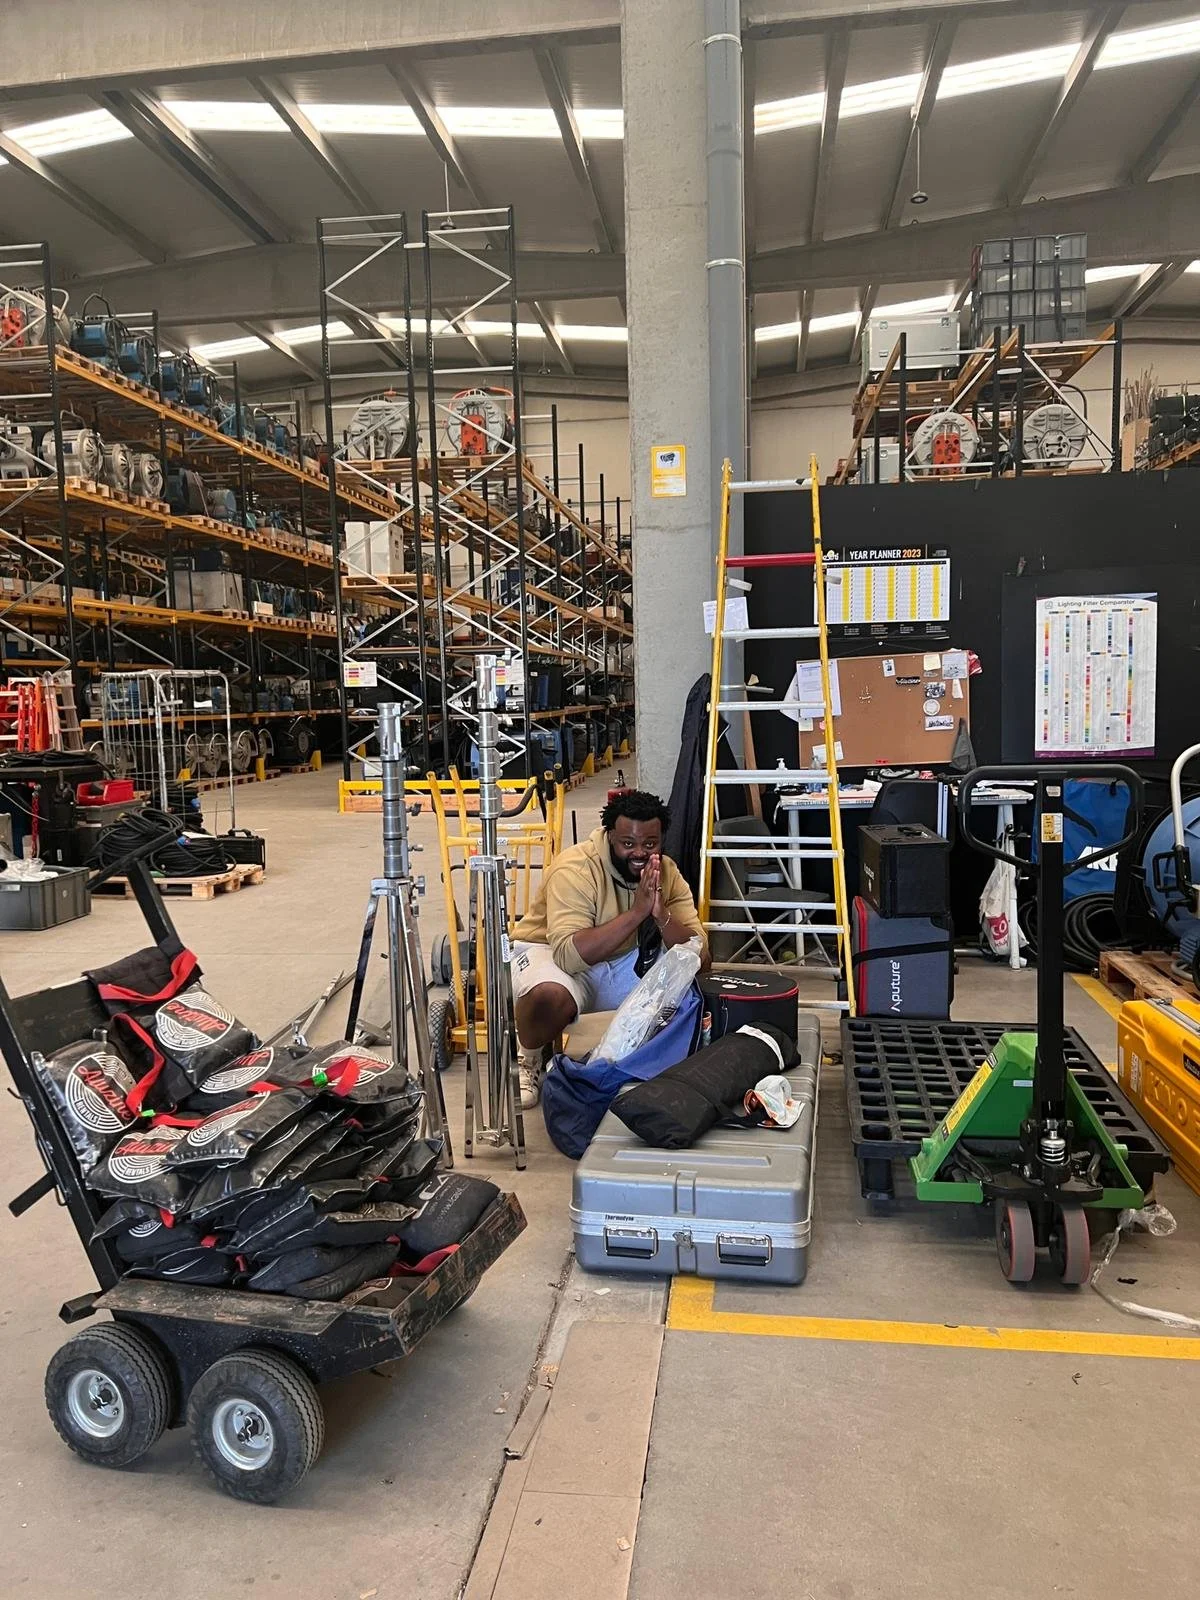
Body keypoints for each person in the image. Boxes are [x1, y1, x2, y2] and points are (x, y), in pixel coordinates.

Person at [509, 789, 709, 1108]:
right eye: (628, 844)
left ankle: (639, 1063)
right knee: (549, 996)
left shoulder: (666, 871)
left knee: (688, 986)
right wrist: (637, 913)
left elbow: (700, 957)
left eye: (650, 844)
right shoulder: (575, 868)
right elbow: (569, 955)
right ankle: (529, 1056)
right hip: (552, 952)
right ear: (610, 836)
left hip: (621, 959)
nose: (639, 853)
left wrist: (661, 915)